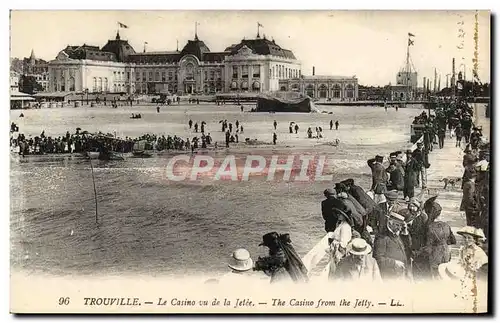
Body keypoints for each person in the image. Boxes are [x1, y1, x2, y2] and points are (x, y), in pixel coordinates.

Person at [422, 196, 456, 279]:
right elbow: (453, 241)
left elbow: (428, 247)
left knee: (435, 276)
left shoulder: (429, 227)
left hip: (435, 255)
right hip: (446, 253)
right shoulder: (446, 225)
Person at [373, 211, 412, 281]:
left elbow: (407, 248)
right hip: (390, 276)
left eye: (401, 226)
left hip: (401, 275)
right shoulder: (382, 237)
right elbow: (378, 259)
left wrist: (405, 232)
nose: (400, 228)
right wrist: (394, 263)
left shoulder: (397, 233)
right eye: (397, 225)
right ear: (390, 223)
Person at [327, 209, 356, 280]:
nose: (338, 215)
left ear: (344, 216)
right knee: (333, 268)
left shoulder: (345, 227)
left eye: (340, 214)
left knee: (337, 269)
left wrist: (338, 252)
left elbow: (344, 242)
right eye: (338, 214)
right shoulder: (341, 224)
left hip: (340, 251)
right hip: (335, 249)